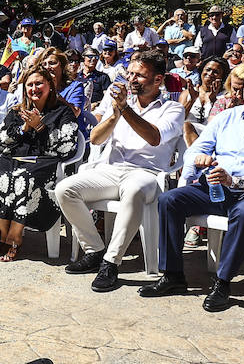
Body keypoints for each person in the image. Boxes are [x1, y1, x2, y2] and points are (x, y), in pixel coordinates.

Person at [139, 62, 244, 312]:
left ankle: (222, 282)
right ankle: (173, 275)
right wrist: (198, 161)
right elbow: (197, 148)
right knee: (169, 200)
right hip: (214, 186)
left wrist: (237, 181)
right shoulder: (228, 117)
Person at [58, 48, 186, 291]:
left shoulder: (172, 109)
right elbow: (95, 139)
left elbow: (154, 137)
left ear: (158, 79)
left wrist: (125, 110)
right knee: (65, 189)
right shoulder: (120, 105)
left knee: (135, 189)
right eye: (130, 74)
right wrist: (115, 114)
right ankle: (95, 250)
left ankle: (111, 263)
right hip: (111, 170)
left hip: (147, 174)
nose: (131, 79)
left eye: (139, 75)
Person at [0, 66, 80, 262]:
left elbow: (67, 147)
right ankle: (6, 233)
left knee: (24, 179)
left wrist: (40, 127)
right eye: (30, 85)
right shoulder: (17, 112)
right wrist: (23, 128)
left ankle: (15, 236)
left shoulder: (62, 112)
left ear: (50, 85)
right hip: (12, 160)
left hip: (43, 164)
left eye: (39, 83)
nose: (34, 88)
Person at [182, 57, 230, 146]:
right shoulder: (187, 93)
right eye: (208, 70)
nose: (210, 74)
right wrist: (192, 100)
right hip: (184, 142)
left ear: (222, 76)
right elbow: (178, 119)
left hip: (211, 141)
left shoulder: (225, 96)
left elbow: (223, 124)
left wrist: (213, 101)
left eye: (216, 72)